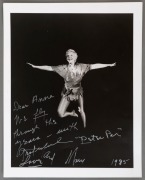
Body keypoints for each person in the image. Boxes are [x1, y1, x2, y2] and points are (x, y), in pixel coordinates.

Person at [27, 49, 116, 128]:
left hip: (78, 91)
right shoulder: (63, 68)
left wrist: (109, 65)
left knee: (82, 111)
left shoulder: (82, 67)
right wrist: (35, 66)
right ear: (66, 58)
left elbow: (95, 66)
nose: (69, 57)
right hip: (68, 92)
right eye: (68, 56)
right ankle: (71, 113)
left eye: (71, 56)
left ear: (75, 57)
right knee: (60, 114)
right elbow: (49, 68)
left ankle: (85, 127)